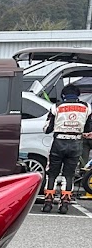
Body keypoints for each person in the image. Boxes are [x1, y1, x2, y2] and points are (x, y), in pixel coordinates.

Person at [41, 84, 92, 214]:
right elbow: (88, 129)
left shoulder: (56, 107)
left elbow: (47, 129)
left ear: (63, 95)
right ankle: (64, 205)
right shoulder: (86, 107)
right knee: (69, 175)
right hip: (76, 143)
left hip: (59, 143)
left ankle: (48, 203)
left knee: (52, 173)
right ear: (78, 95)